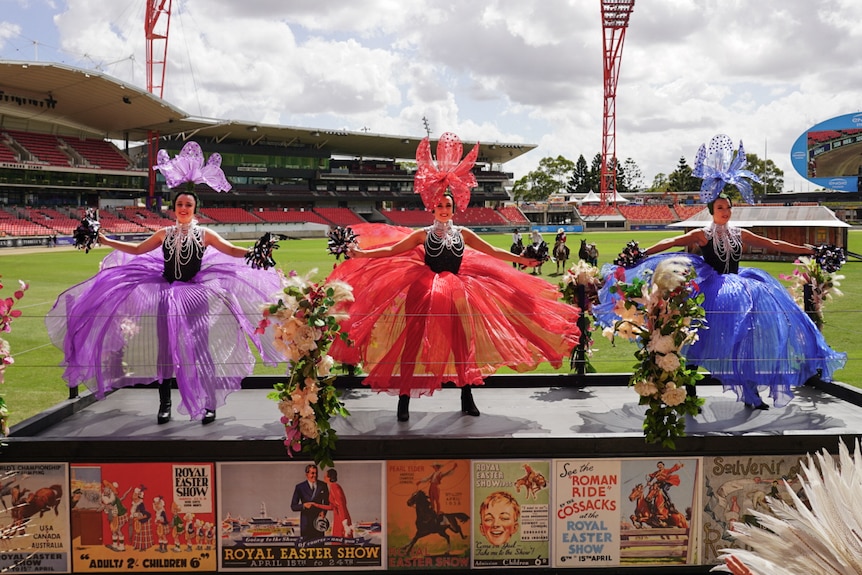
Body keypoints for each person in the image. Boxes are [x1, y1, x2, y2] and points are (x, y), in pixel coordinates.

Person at [327, 132, 580, 421]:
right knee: (412, 341)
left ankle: (466, 393)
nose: (444, 210)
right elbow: (391, 250)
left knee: (462, 340)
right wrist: (361, 255)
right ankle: (405, 398)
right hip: (422, 289)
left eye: (448, 206)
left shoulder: (464, 234)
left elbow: (493, 251)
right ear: (432, 207)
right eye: (439, 206)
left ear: (454, 207)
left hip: (460, 289)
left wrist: (521, 259)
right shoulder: (421, 234)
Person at [596, 135, 846, 410]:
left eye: (728, 207)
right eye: (720, 208)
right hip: (710, 291)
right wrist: (642, 253)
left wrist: (810, 251)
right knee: (695, 339)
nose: (725, 211)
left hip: (744, 290)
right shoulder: (702, 234)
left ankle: (751, 393)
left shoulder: (740, 232)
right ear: (711, 211)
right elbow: (670, 243)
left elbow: (773, 244)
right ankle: (686, 391)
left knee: (747, 341)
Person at [45, 142, 285, 424]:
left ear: (196, 208)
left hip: (196, 296)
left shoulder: (205, 233)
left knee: (201, 349)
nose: (183, 208)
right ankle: (165, 403)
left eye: (189, 205)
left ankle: (209, 403)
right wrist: (105, 239)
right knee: (165, 352)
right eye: (180, 204)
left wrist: (255, 252)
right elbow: (136, 250)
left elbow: (231, 250)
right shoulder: (164, 233)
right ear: (174, 208)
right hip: (164, 294)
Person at [290, 464, 330, 542]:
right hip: (306, 523)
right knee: (306, 548)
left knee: (320, 547)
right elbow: (293, 506)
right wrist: (304, 505)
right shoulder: (299, 487)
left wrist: (323, 512)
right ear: (307, 474)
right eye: (312, 473)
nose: (314, 475)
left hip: (319, 522)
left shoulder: (323, 485)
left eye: (316, 473)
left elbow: (327, 502)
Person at [321, 468, 353, 539]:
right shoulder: (334, 487)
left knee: (340, 541)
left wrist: (345, 524)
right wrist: (316, 505)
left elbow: (341, 505)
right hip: (339, 517)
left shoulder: (334, 487)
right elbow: (333, 507)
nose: (324, 477)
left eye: (325, 475)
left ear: (329, 477)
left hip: (341, 518)